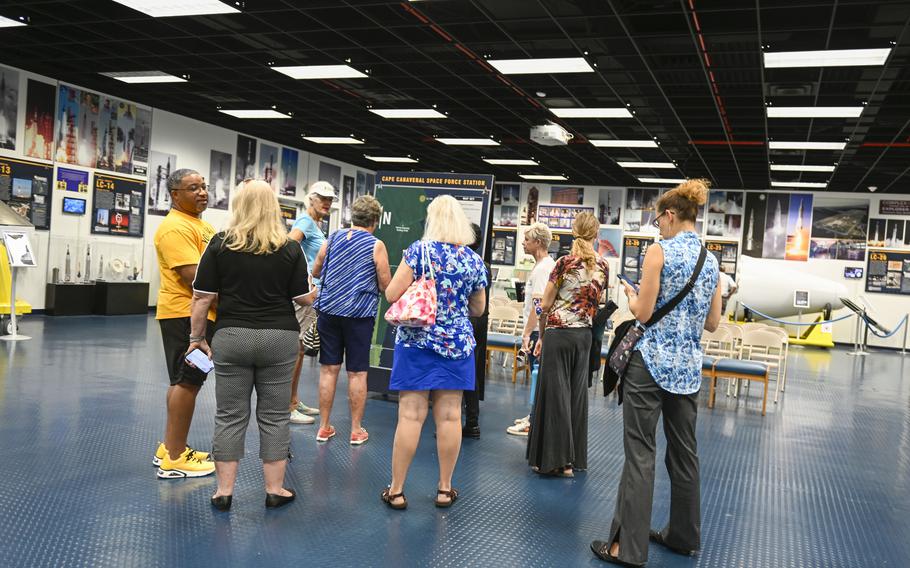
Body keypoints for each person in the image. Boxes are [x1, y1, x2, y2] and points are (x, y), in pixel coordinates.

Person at [591, 179, 722, 567]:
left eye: (658, 220)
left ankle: (626, 549)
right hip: (687, 370)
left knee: (640, 454)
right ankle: (683, 536)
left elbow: (644, 313)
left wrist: (632, 296)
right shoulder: (710, 261)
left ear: (669, 215)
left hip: (649, 367)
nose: (657, 227)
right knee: (685, 454)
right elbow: (713, 322)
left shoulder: (658, 252)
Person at [187, 180, 317, 511]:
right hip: (279, 338)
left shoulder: (219, 244)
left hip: (232, 337)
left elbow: (202, 297)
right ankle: (275, 490)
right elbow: (302, 296)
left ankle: (224, 492)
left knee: (230, 415)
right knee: (274, 416)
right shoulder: (290, 248)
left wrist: (196, 339)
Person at [380, 196, 487, 510]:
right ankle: (444, 488)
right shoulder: (473, 260)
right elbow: (478, 308)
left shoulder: (419, 252)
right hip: (457, 345)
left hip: (417, 341)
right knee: (451, 416)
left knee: (411, 416)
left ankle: (397, 491)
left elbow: (391, 294)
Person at [527, 213, 608, 477]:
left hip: (558, 334)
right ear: (596, 235)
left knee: (555, 396)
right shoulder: (603, 267)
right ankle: (572, 460)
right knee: (576, 396)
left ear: (573, 233)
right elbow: (597, 302)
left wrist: (540, 335)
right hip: (583, 337)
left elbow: (546, 304)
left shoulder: (564, 263)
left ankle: (555, 461)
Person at [309, 195, 391, 445]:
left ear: (352, 216)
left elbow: (315, 270)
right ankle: (356, 430)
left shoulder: (332, 239)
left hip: (329, 312)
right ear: (375, 220)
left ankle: (323, 427)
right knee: (357, 373)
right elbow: (386, 284)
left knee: (328, 369)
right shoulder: (375, 245)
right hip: (359, 316)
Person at [153, 168, 217, 479]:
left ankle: (170, 446)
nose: (202, 192)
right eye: (193, 188)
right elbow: (194, 278)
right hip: (184, 315)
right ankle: (176, 458)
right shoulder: (175, 228)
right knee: (187, 382)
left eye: (204, 187)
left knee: (185, 380)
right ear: (175, 194)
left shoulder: (198, 224)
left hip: (198, 315)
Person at [287, 181, 336, 424]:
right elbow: (288, 246)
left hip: (312, 293)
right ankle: (288, 406)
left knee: (303, 347)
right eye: (323, 198)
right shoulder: (306, 222)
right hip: (305, 292)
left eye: (330, 199)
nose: (327, 203)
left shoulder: (315, 225)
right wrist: (303, 276)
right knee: (297, 348)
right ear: (311, 199)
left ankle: (294, 399)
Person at [507, 222, 555, 436]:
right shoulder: (542, 266)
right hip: (537, 330)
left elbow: (539, 306)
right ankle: (534, 416)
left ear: (537, 242)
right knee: (538, 375)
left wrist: (528, 334)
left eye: (527, 240)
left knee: (538, 376)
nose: (524, 243)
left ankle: (534, 422)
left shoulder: (543, 268)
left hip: (537, 331)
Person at [463, 223, 491, 439]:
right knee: (472, 369)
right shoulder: (483, 264)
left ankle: (470, 422)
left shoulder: (463, 262)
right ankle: (472, 420)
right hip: (481, 321)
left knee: (463, 370)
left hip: (470, 320)